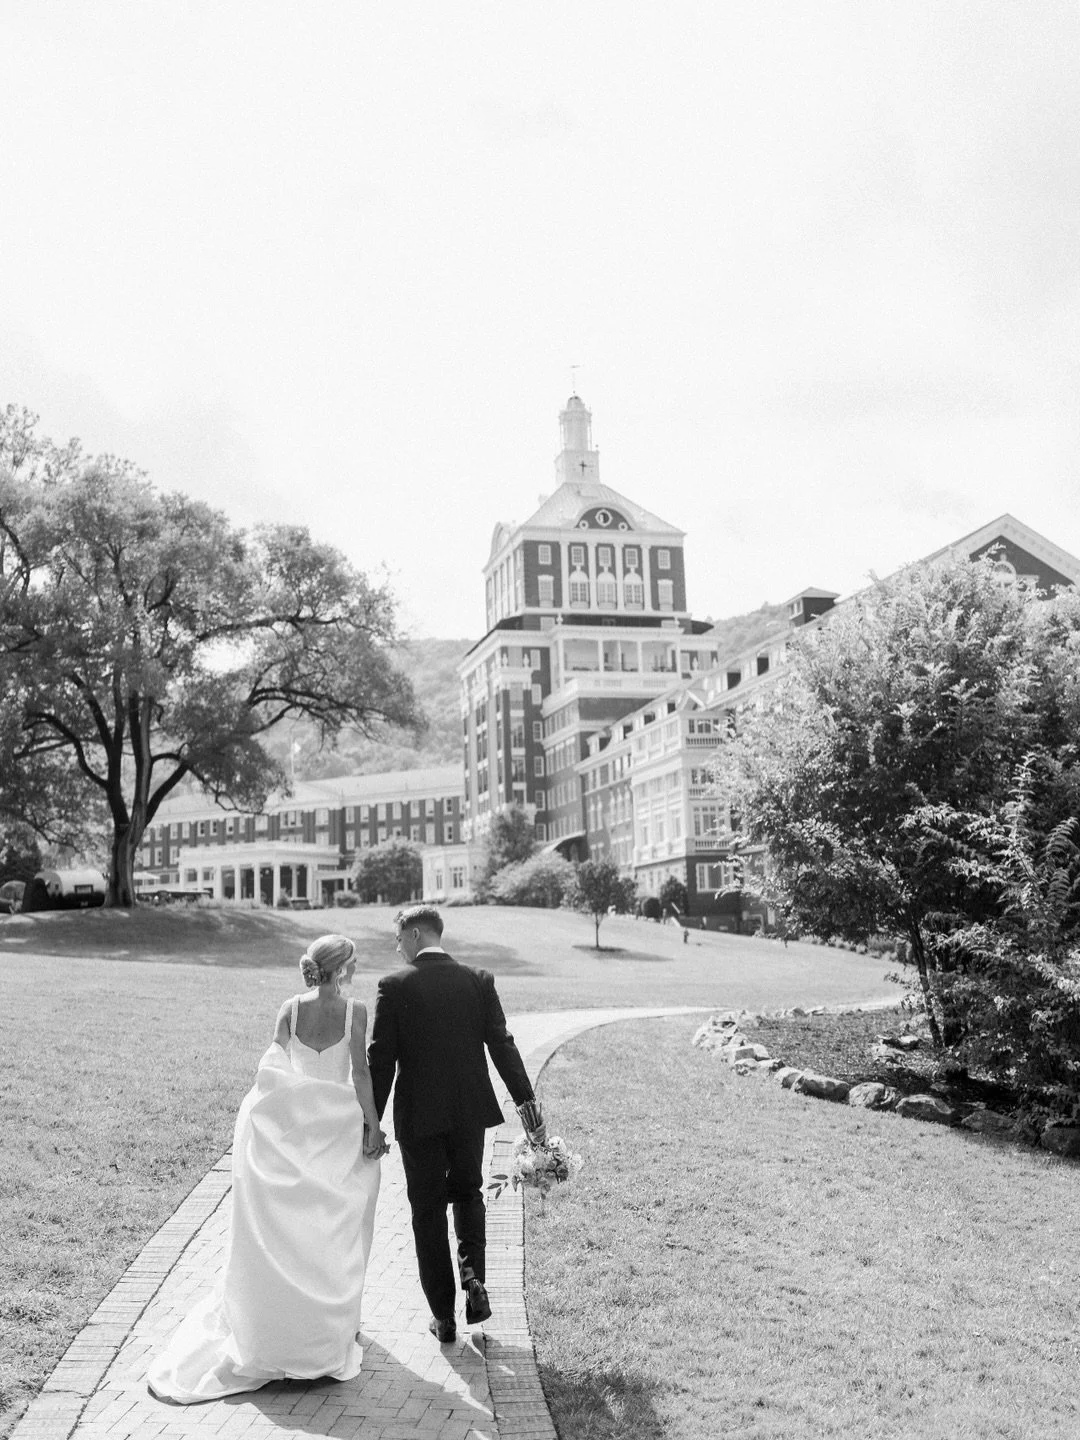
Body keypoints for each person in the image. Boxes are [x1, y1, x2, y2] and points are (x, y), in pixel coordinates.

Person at [147, 935, 387, 1403]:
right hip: (334, 1133)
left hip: (292, 1133)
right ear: (343, 969)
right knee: (333, 1229)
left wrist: (275, 1116)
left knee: (288, 1229)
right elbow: (359, 1072)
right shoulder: (356, 1011)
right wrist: (373, 1126)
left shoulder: (290, 1010)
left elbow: (272, 1070)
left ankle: (283, 1329)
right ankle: (328, 1335)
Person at [367, 904, 546, 1344]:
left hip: (419, 1117)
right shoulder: (477, 981)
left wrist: (370, 1122)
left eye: (397, 940)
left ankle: (443, 1317)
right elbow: (502, 1045)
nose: (397, 949)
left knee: (427, 1212)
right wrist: (529, 1109)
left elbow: (381, 1061)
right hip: (469, 1112)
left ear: (413, 935)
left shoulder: (393, 986)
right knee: (467, 1193)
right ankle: (474, 1281)